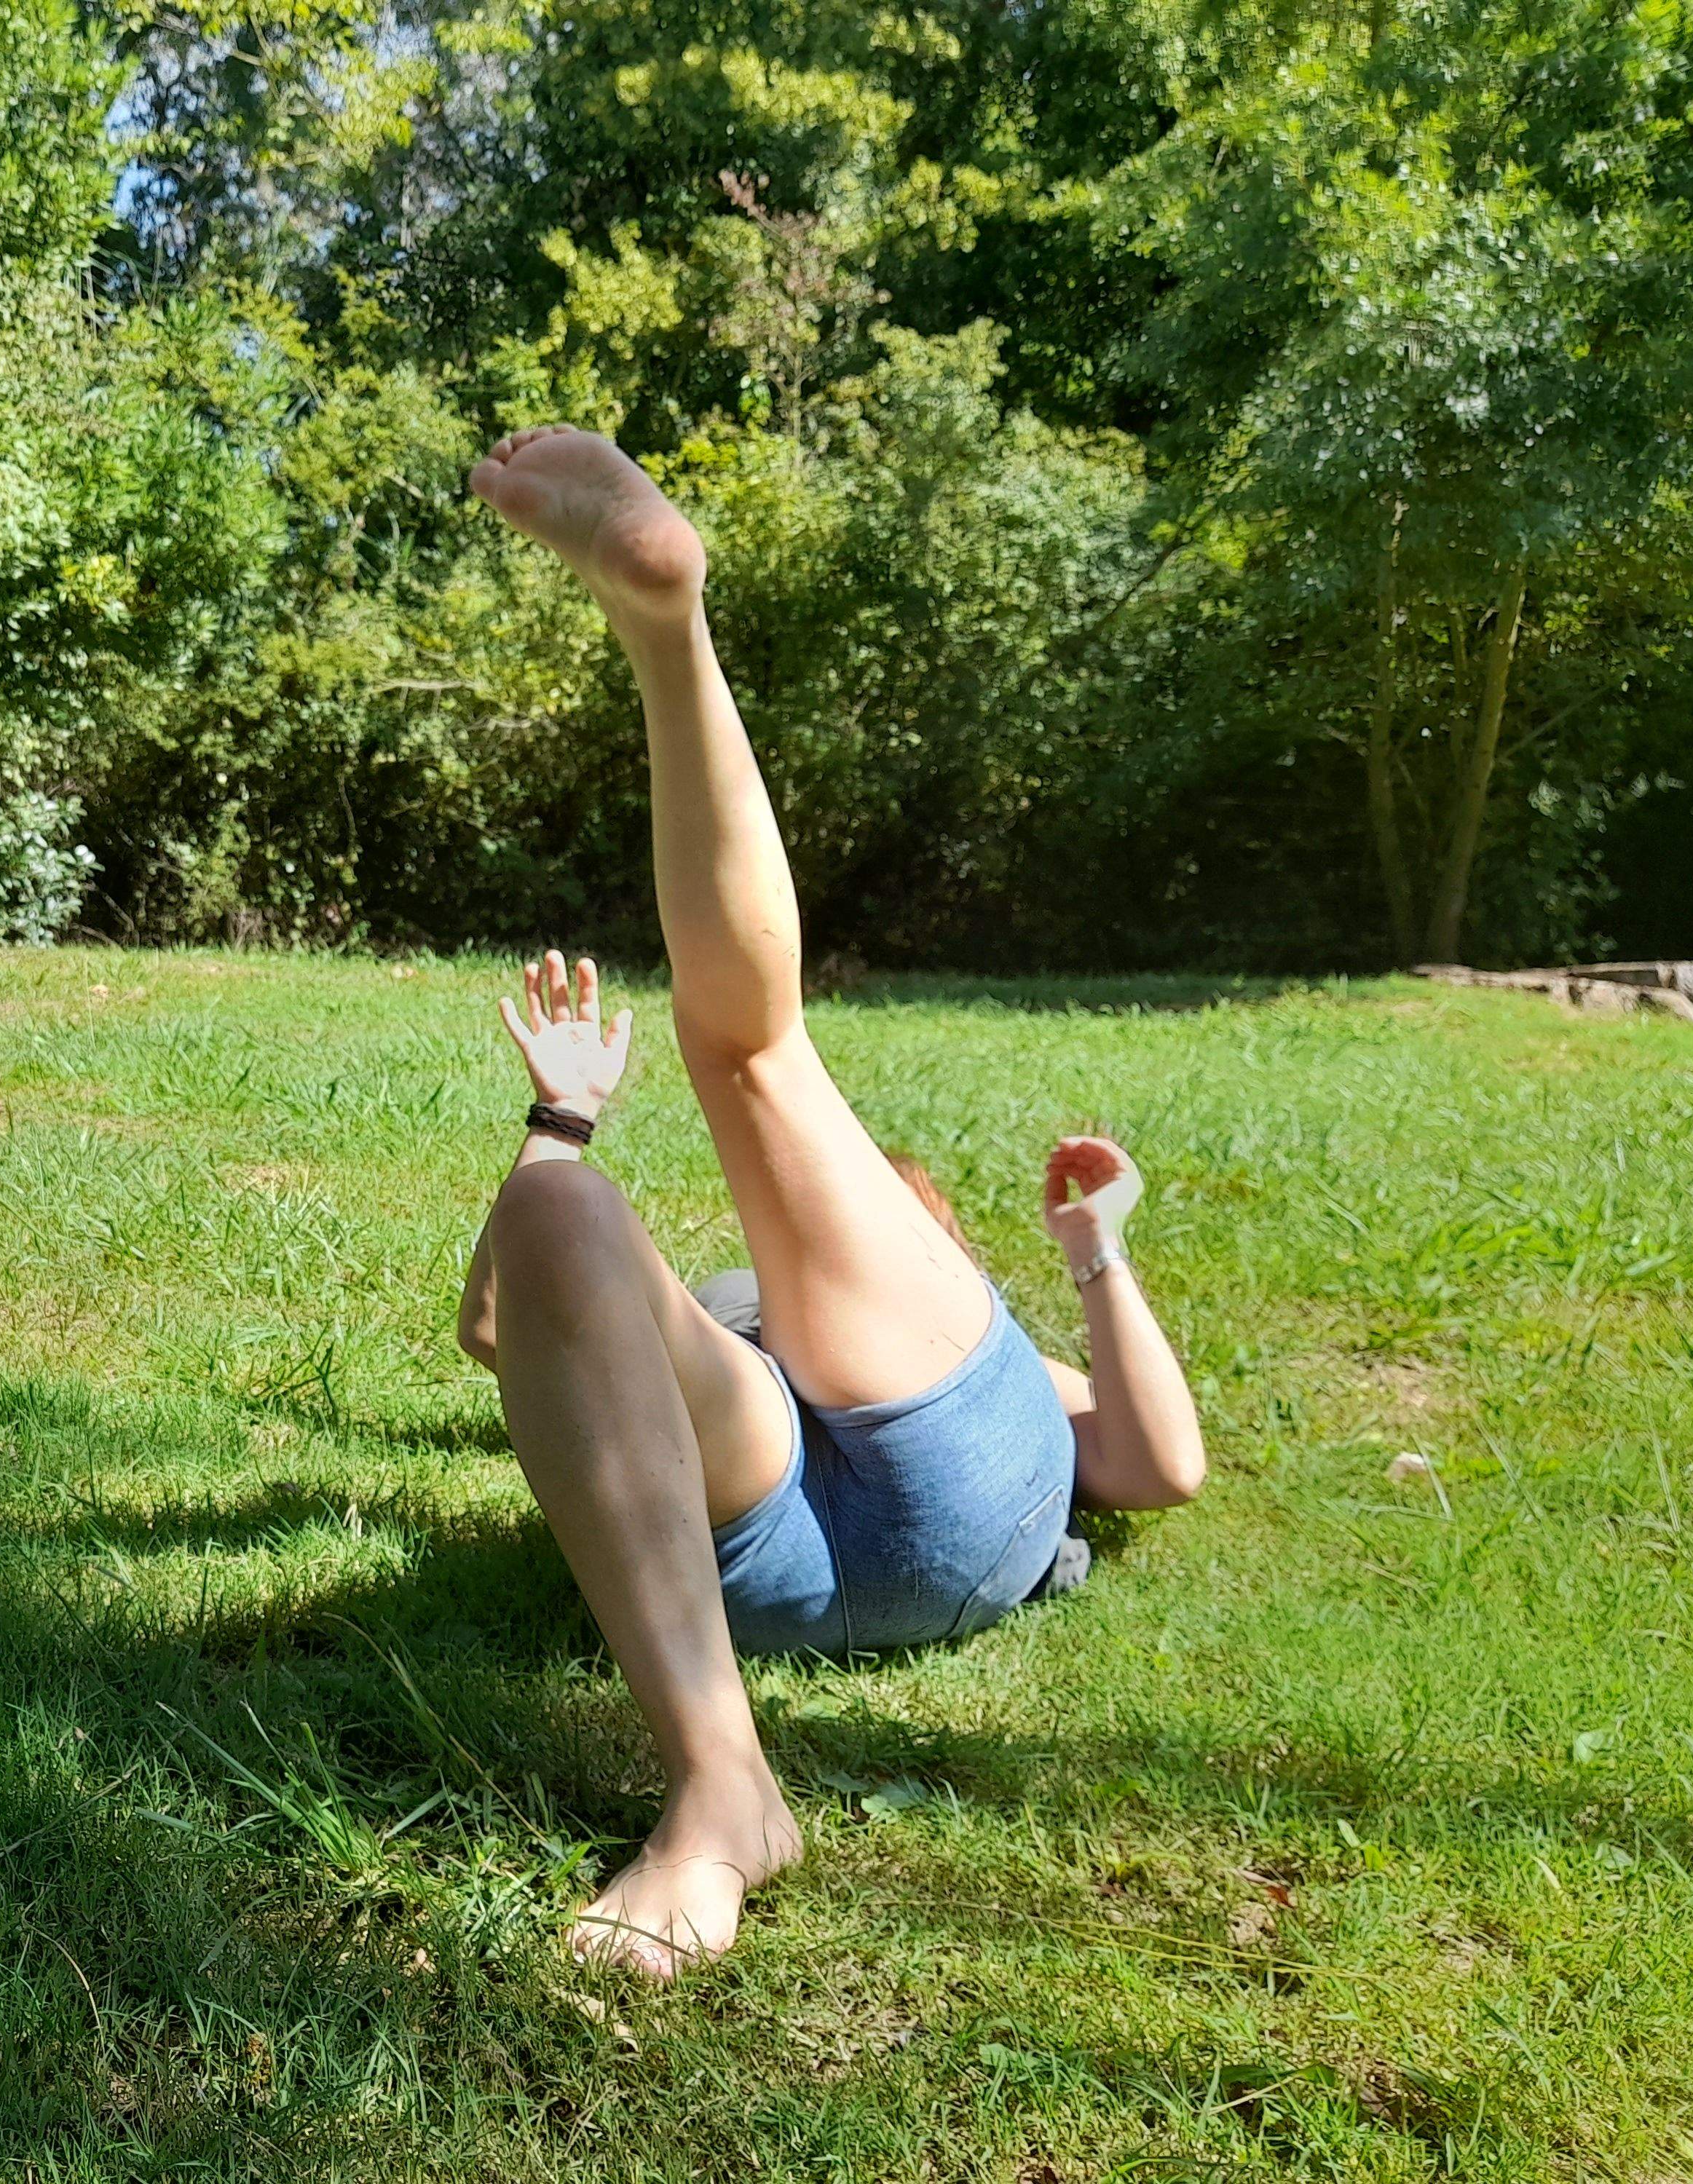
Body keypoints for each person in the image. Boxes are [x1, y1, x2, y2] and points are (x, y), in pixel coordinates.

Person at [450, 424, 1209, 1982]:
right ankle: (718, 1777)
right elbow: (498, 1320)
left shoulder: (1002, 1369)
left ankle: (724, 1793)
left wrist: (1094, 1263)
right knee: (569, 1215)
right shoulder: (765, 1353)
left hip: (856, 1517)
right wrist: (559, 1124)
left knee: (747, 1050)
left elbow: (1151, 1466)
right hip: (765, 1531)